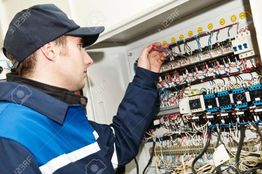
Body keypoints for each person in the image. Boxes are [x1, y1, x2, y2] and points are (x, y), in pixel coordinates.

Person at [0, 4, 166, 174]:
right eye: (79, 46)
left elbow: (117, 145)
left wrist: (145, 75)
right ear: (50, 51)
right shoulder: (9, 135)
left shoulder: (66, 115)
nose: (88, 60)